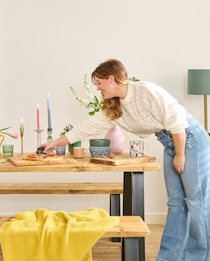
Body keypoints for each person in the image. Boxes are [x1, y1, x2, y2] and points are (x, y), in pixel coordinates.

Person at [43, 59, 210, 261]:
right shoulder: (115, 107)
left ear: (111, 79)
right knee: (176, 203)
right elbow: (87, 127)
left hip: (188, 138)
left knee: (197, 202)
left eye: (99, 83)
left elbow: (176, 121)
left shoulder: (146, 91)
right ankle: (168, 257)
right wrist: (55, 143)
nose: (97, 88)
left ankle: (199, 257)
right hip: (170, 142)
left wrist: (181, 153)